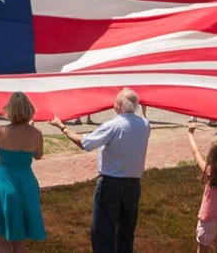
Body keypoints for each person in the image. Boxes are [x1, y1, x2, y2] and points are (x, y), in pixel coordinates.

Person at [51, 88, 151, 253]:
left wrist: (63, 127)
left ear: (118, 104)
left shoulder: (113, 126)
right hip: (133, 185)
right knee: (126, 233)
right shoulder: (144, 125)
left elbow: (85, 143)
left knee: (104, 233)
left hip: (111, 184)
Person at [0, 93, 46, 251]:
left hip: (4, 185)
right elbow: (38, 155)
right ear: (29, 110)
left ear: (10, 111)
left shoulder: (1, 131)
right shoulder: (37, 133)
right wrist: (31, 129)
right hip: (27, 185)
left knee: (3, 240)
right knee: (20, 241)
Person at [184, 121, 217, 253]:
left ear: (211, 158)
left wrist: (190, 133)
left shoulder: (209, 172)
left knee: (202, 250)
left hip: (208, 219)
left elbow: (195, 152)